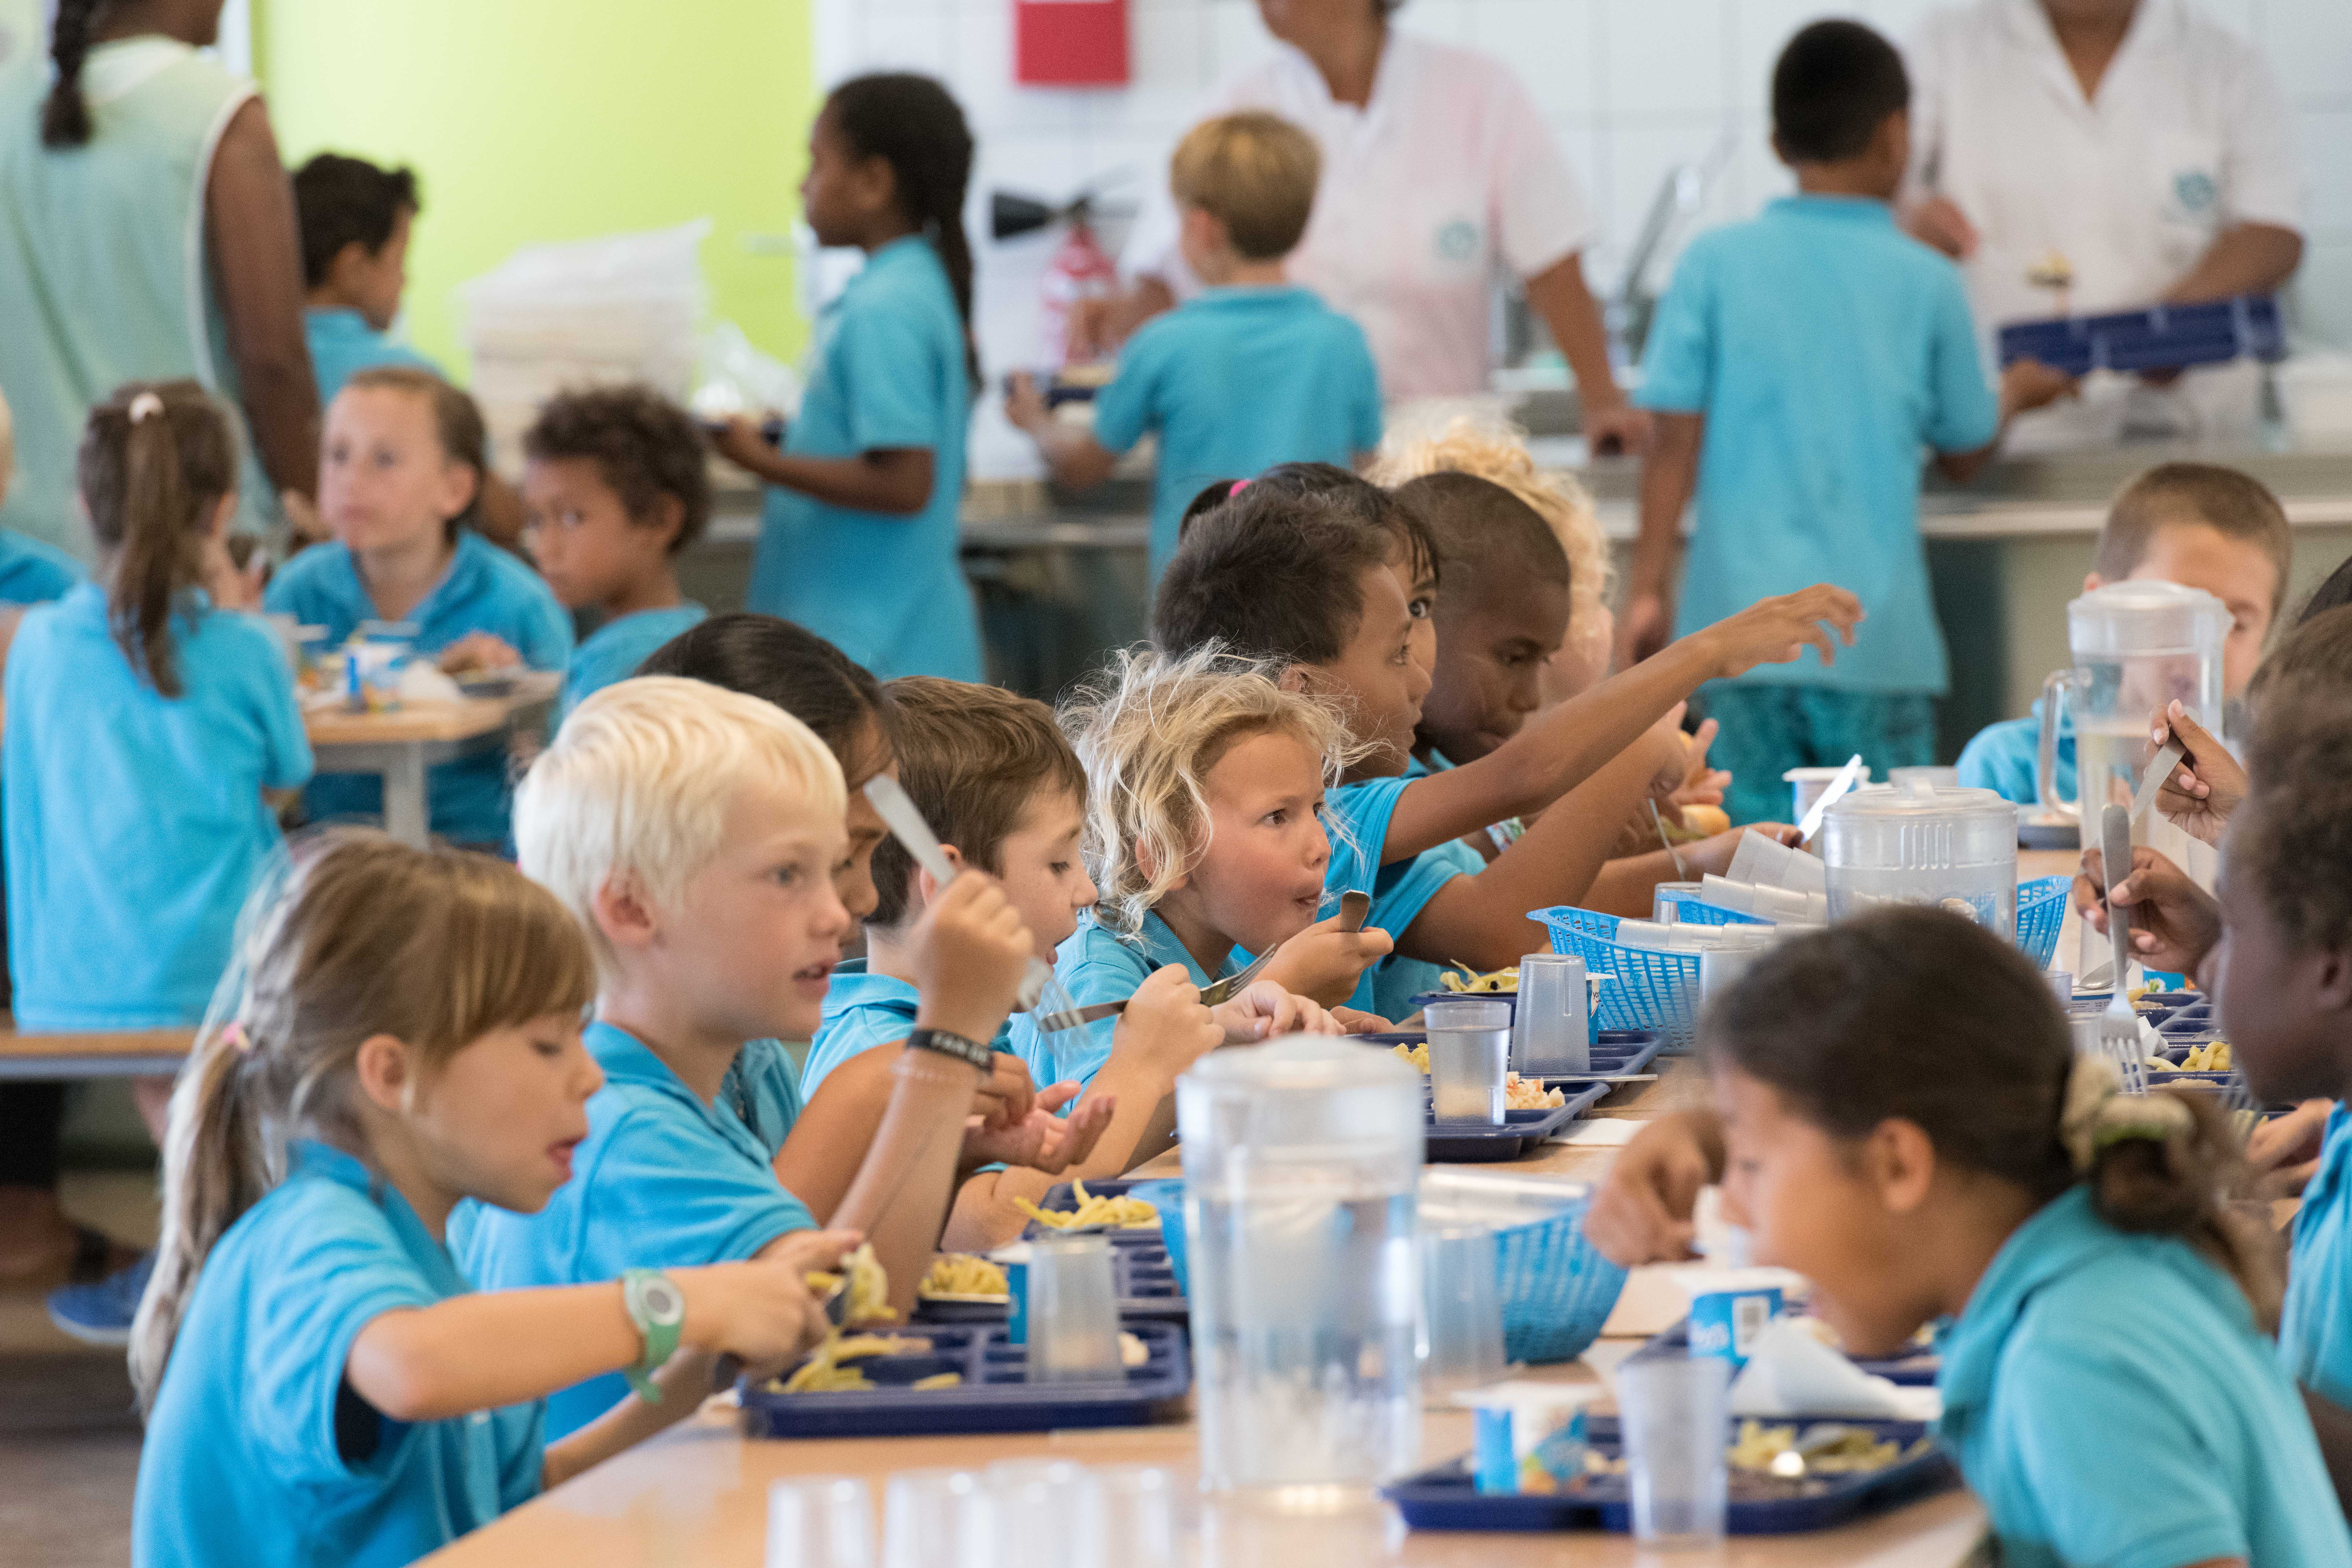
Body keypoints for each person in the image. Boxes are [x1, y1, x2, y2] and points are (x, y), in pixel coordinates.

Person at [129, 831, 855, 1568]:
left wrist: (695, 1372)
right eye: (547, 1046)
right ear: (392, 1074)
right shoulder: (307, 1232)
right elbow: (415, 1365)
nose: (590, 1078)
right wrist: (689, 1304)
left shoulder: (422, 1253)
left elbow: (537, 1490)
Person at [456, 678, 1035, 1432]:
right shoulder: (623, 1133)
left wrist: (946, 1142)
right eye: (786, 876)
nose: (836, 912)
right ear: (632, 907)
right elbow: (848, 1337)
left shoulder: (674, 1098)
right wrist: (947, 1040)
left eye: (831, 870)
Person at [1700, 906, 2351, 1568]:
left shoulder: (2071, 1361)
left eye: (1750, 1165)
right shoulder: (2095, 1266)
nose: (1730, 1209)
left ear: (1897, 1164)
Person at [1156, 469, 1859, 1001]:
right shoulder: (1338, 812)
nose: (1420, 675)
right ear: (1302, 689)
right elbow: (1512, 896)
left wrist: (1704, 860)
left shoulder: (1370, 804)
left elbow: (1523, 899)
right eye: (1399, 647)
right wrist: (1681, 683)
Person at [1620, 20, 2071, 827]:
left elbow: (1671, 442)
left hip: (1734, 642)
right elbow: (1967, 446)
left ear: (1776, 140)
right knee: (1876, 883)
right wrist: (2018, 394)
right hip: (1876, 647)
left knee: (1738, 866)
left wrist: (1649, 585)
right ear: (1897, 137)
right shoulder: (1926, 278)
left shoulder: (1713, 263)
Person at [7, 382, 310, 1343]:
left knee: (176, 1063)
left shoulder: (39, 643)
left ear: (86, 506)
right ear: (223, 512)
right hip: (220, 973)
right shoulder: (246, 649)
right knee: (230, 1030)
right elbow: (285, 786)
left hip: (64, 980)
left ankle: (205, 1251)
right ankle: (229, 1256)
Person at [804, 677, 1251, 1250]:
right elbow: (997, 1226)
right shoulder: (877, 1049)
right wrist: (1136, 1069)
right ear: (952, 885)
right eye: (1060, 862)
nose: (1088, 891)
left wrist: (1213, 1035)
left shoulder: (961, 1030)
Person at [1081, 0, 1648, 451]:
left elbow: (1552, 264)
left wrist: (1601, 399)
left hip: (1440, 456)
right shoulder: (1232, 108)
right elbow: (1168, 273)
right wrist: (1119, 319)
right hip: (1286, 458)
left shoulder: (1479, 94)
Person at [1392, 471, 1797, 939]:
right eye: (1512, 657)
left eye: (1539, 662)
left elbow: (1542, 897)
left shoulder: (1435, 767)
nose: (1529, 697)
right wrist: (1639, 749)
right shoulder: (1357, 793)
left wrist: (1702, 863)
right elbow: (1495, 922)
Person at [1903, 0, 2304, 449]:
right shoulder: (1944, 47)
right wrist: (1910, 220)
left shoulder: (2226, 61)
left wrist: (2163, 331)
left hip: (2191, 434)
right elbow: (1877, 192)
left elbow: (2273, 232)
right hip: (2004, 435)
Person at [0, 0, 320, 556]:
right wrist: (316, 509)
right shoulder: (218, 112)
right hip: (197, 536)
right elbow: (274, 361)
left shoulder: (7, 104)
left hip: (28, 546)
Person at [1005, 112, 1380, 580]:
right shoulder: (1342, 341)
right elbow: (1370, 475)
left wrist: (1036, 422)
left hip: (1198, 607)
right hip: (1316, 598)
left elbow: (1083, 465)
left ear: (1202, 228)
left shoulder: (1165, 343)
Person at [713, 74, 983, 683]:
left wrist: (759, 460)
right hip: (881, 642)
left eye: (817, 163)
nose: (801, 185)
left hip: (876, 653)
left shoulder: (885, 306)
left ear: (872, 183)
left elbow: (903, 482)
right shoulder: (907, 287)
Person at [265, 367, 571, 847]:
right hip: (334, 858)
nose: (351, 480)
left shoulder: (518, 604)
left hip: (477, 865)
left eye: (384, 460)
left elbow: (565, 764)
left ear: (454, 489)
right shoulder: (296, 593)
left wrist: (501, 688)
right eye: (337, 454)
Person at [1051, 645, 1368, 1091]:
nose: (1321, 846)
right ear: (1169, 855)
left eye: (1316, 808)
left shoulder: (1224, 964)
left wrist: (1303, 1039)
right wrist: (1280, 987)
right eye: (1277, 816)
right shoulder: (1097, 974)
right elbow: (1100, 1136)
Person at [1958, 462, 2291, 805]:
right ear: (2101, 612)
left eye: (2235, 624)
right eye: (2173, 612)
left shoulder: (2273, 779)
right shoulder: (2006, 766)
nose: (2203, 647)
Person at [519, 385, 711, 719]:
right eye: (536, 520)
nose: (544, 546)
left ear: (659, 519)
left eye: (571, 518)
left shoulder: (621, 672)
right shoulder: (693, 635)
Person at [292, 153, 437, 402]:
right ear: (354, 270)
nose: (406, 281)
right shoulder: (414, 384)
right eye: (399, 261)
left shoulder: (244, 365)